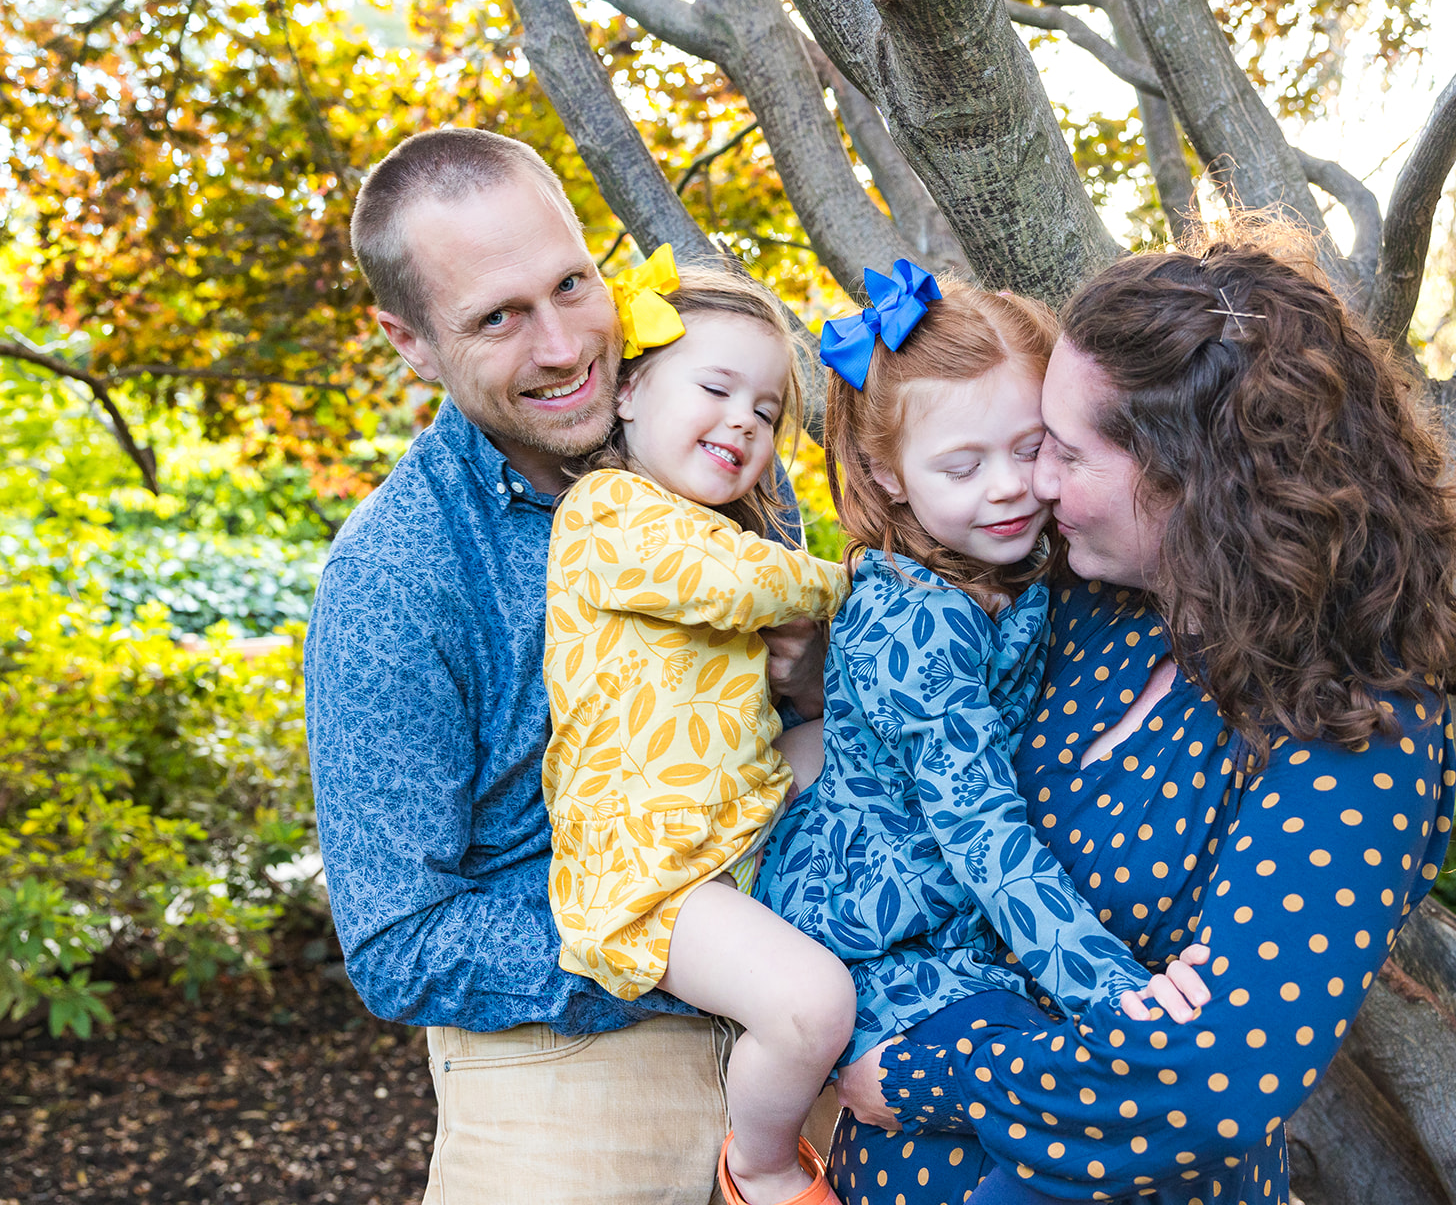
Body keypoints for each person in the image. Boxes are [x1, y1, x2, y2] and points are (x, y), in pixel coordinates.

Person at [826, 229, 1456, 1204]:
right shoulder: (1081, 597)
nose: (1033, 485)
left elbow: (1207, 1084)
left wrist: (918, 1070)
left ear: (1193, 475)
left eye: (1057, 450)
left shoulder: (1356, 724)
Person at [303, 128, 825, 1204]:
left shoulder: (721, 455)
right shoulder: (396, 574)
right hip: (563, 1082)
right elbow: (401, 940)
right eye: (497, 316)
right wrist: (669, 934)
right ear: (409, 341)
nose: (561, 346)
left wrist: (810, 680)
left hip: (805, 1038)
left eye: (570, 284)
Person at [758, 265, 1213, 1201]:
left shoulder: (1026, 566)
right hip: (877, 932)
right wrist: (1114, 994)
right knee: (1049, 1095)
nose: (1010, 489)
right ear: (886, 472)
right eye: (962, 467)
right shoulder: (910, 621)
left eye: (1033, 447)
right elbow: (980, 826)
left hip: (955, 919)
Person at [542, 253, 856, 1205]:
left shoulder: (707, 524)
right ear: (629, 391)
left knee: (877, 749)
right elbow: (727, 583)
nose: (744, 422)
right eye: (716, 388)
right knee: (813, 1007)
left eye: (766, 412)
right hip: (653, 868)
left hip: (731, 814)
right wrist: (861, 583)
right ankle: (759, 1166)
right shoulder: (610, 510)